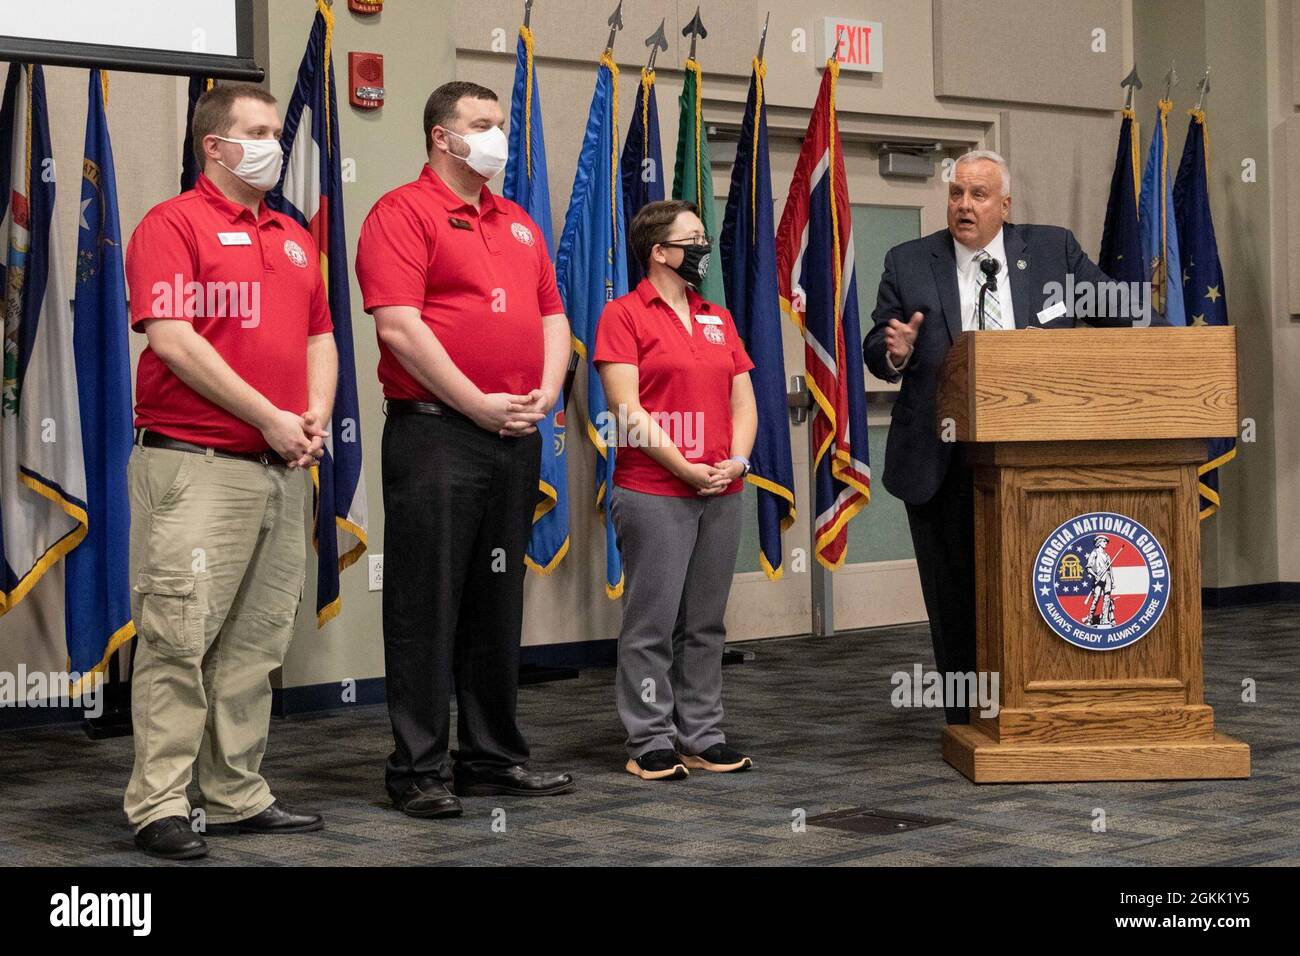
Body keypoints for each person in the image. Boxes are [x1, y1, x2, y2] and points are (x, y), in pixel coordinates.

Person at [123, 83, 333, 860]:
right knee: (179, 641)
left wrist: (310, 412)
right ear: (214, 145)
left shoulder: (290, 232)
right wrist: (267, 417)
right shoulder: (171, 225)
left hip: (282, 466)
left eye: (277, 131)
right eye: (258, 131)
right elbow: (172, 339)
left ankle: (237, 794)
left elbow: (322, 335)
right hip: (196, 465)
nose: (274, 144)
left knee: (255, 646)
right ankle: (159, 805)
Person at [354, 81, 575, 819]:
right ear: (442, 137)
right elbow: (399, 328)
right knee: (426, 604)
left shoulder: (518, 223)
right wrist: (474, 402)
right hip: (435, 434)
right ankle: (416, 770)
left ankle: (490, 759)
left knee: (494, 601)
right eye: (483, 125)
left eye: (502, 124)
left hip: (513, 434)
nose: (498, 137)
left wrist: (545, 392)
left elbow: (552, 317)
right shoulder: (401, 212)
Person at [863, 149, 1131, 724]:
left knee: (1042, 583)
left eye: (978, 195)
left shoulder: (1053, 250)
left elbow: (1119, 312)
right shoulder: (909, 260)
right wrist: (895, 352)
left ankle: (1045, 704)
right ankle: (967, 719)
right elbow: (877, 346)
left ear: (1004, 205)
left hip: (1037, 453)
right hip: (943, 455)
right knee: (955, 595)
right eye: (956, 192)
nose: (964, 204)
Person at [594, 199, 758, 781]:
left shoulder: (718, 316)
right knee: (652, 623)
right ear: (659, 252)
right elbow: (627, 412)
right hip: (654, 490)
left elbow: (743, 399)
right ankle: (649, 739)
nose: (703, 250)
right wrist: (686, 467)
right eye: (692, 241)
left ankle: (702, 734)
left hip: (722, 490)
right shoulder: (623, 314)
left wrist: (736, 461)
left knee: (706, 623)